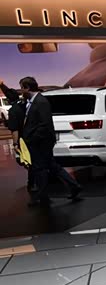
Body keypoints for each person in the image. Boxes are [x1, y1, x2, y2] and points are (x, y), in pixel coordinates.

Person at [18, 77, 82, 206]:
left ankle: (42, 197)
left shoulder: (41, 102)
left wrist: (32, 138)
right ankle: (73, 186)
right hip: (39, 141)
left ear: (27, 88)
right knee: (51, 166)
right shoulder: (33, 101)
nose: (21, 91)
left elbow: (45, 124)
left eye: (22, 88)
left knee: (40, 168)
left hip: (41, 142)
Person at [0, 79, 36, 196]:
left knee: (25, 161)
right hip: (31, 137)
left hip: (22, 140)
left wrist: (15, 144)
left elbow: (14, 130)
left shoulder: (13, 111)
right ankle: (33, 183)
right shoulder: (25, 105)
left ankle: (33, 184)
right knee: (32, 161)